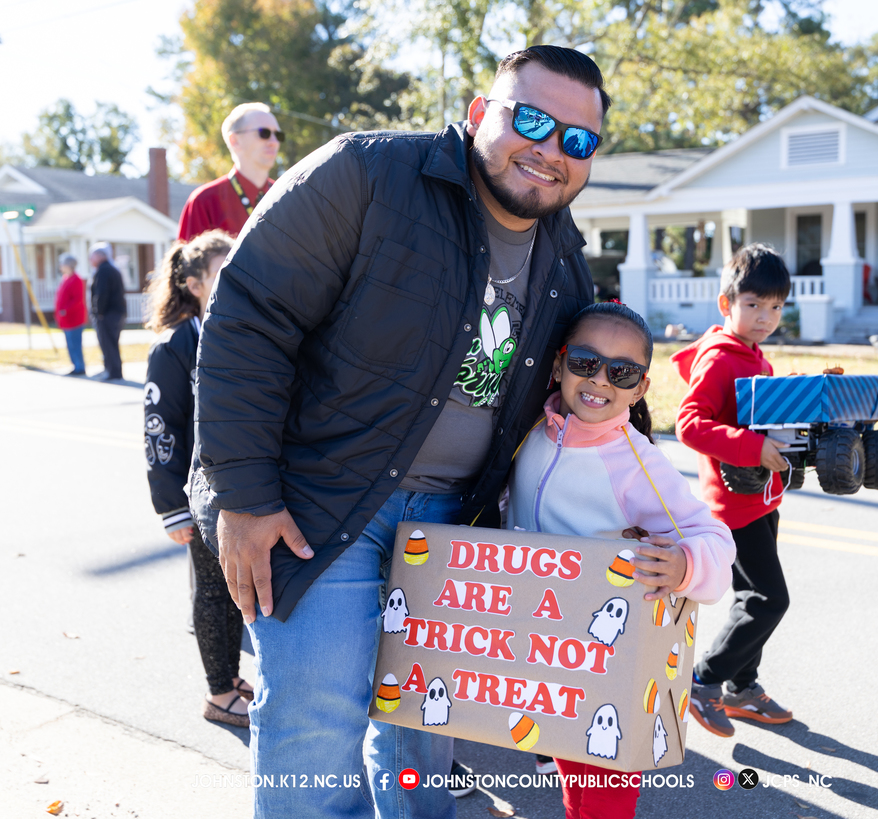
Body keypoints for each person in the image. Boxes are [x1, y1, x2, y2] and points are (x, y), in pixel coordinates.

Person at [189, 45, 608, 819]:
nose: (551, 150)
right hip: (318, 509)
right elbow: (246, 320)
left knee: (423, 744)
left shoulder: (565, 260)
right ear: (482, 114)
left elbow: (590, 402)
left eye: (577, 140)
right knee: (315, 740)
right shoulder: (367, 176)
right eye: (534, 120)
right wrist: (243, 495)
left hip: (455, 528)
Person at [505, 301, 735, 819]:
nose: (600, 380)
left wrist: (685, 565)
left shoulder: (636, 463)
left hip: (612, 659)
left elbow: (716, 540)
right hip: (545, 647)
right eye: (586, 362)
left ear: (640, 388)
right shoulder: (529, 432)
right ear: (559, 364)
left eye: (622, 371)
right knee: (570, 764)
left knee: (607, 793)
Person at [672, 243, 794, 738]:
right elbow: (688, 423)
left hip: (762, 499)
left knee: (751, 598)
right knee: (769, 599)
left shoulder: (753, 356)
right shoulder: (722, 360)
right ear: (727, 305)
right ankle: (703, 681)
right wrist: (751, 447)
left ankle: (743, 687)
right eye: (754, 304)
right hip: (734, 503)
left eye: (776, 307)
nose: (765, 316)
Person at [143, 230, 255, 727]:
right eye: (221, 272)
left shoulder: (240, 332)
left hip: (238, 493)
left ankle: (232, 678)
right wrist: (172, 507)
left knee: (237, 592)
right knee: (213, 592)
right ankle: (218, 693)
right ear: (192, 285)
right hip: (197, 497)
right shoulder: (174, 347)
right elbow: (158, 432)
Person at [177, 102, 283, 241]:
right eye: (264, 133)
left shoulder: (286, 196)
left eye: (278, 135)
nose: (274, 142)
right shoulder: (204, 202)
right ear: (234, 141)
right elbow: (189, 262)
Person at [88, 242, 126, 381]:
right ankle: (111, 369)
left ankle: (113, 372)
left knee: (108, 343)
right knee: (111, 343)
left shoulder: (104, 270)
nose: (90, 259)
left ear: (100, 256)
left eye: (92, 256)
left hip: (109, 314)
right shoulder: (111, 269)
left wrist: (99, 312)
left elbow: (102, 293)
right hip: (115, 313)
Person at [54, 253, 87, 375]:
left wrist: (65, 310)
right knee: (69, 344)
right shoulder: (65, 278)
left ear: (69, 265)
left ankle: (80, 367)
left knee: (75, 344)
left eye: (63, 264)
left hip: (74, 318)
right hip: (65, 319)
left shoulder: (76, 279)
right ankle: (75, 365)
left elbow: (77, 299)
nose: (61, 266)